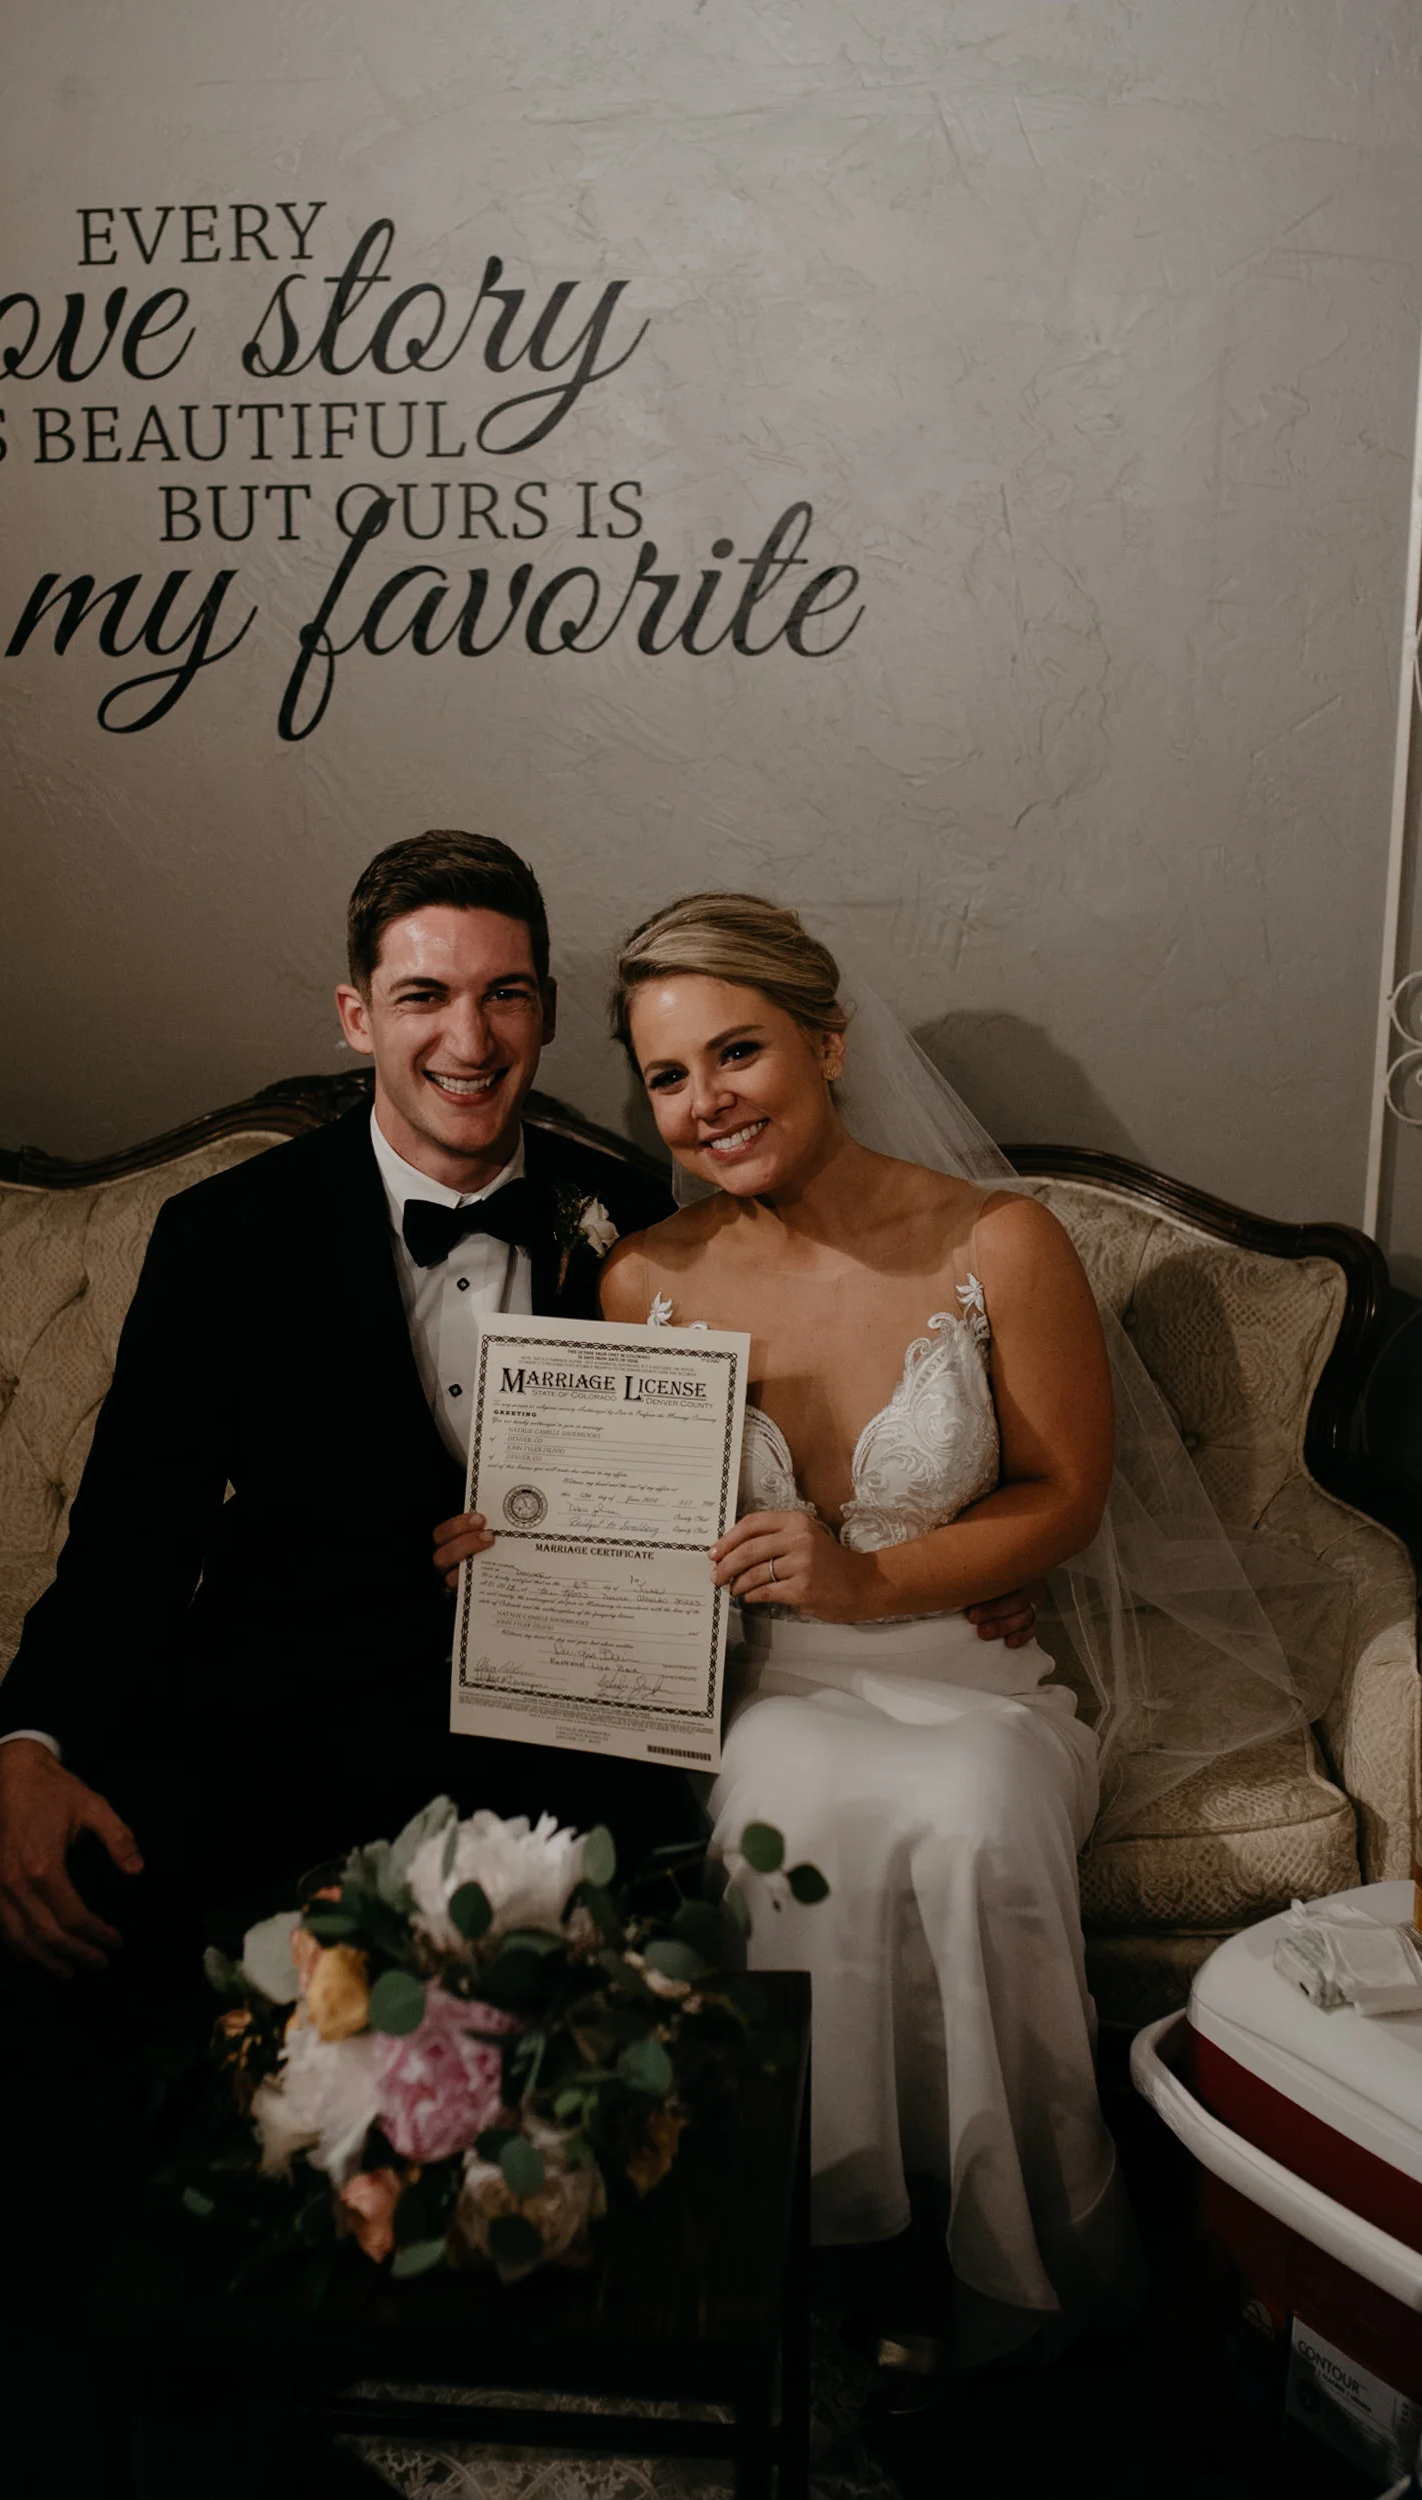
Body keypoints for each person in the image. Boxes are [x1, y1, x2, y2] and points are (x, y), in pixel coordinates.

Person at [0, 838, 1040, 1987]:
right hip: (295, 1715)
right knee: (116, 1951)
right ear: (356, 1015)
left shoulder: (642, 1221)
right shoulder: (223, 1236)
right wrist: (24, 1745)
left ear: (543, 1013)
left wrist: (946, 1552)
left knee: (667, 1982)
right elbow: (133, 1533)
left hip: (571, 1736)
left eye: (505, 996)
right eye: (422, 996)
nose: (469, 1041)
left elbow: (785, 1445)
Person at [436, 892, 1167, 2376]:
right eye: (667, 1079)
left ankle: (1011, 2267)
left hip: (970, 1668)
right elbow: (622, 1516)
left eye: (738, 1054)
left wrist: (876, 1580)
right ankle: (823, 2242)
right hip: (773, 1685)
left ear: (828, 1045)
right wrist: (513, 1553)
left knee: (971, 1819)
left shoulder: (997, 1243)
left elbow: (1065, 1494)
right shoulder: (646, 1278)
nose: (705, 1105)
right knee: (781, 1804)